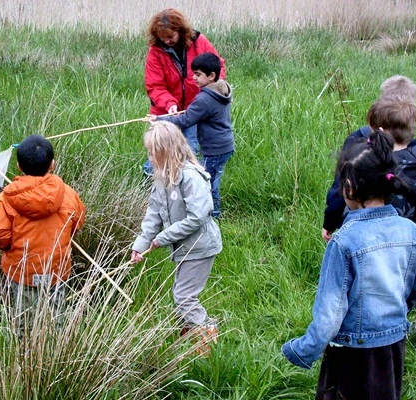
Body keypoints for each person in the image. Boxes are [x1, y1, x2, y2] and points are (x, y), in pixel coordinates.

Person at [282, 129, 416, 399]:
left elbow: (329, 316)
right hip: (393, 347)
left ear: (350, 187)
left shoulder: (344, 242)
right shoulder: (407, 231)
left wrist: (301, 350)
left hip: (351, 354)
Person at [130, 121, 222, 354]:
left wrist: (164, 237)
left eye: (154, 152)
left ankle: (206, 335)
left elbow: (198, 217)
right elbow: (153, 214)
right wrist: (140, 245)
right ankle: (193, 330)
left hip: (200, 247)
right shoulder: (161, 178)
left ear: (168, 151)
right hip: (184, 248)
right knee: (182, 292)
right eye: (148, 152)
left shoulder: (191, 177)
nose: (150, 157)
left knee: (183, 296)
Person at [0, 134, 86, 332]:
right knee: (56, 320)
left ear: (19, 166)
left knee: (24, 322)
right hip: (56, 271)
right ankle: (55, 351)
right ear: (52, 165)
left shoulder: (5, 199)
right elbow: (77, 221)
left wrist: (10, 248)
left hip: (22, 273)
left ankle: (26, 352)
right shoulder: (68, 194)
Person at [322, 75, 416, 242]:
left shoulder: (371, 158)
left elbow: (341, 189)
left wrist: (330, 221)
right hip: (410, 244)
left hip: (366, 240)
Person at [142, 8, 226, 175]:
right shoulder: (155, 52)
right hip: (164, 111)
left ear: (180, 31)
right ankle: (150, 181)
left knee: (189, 150)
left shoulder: (199, 41)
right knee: (159, 153)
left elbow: (218, 67)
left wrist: (209, 94)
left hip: (193, 110)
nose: (166, 41)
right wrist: (169, 104)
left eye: (170, 36)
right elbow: (154, 86)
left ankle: (183, 185)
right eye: (162, 38)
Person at [152, 52, 234, 219]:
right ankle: (211, 212)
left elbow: (185, 120)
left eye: (198, 74)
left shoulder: (204, 98)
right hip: (224, 145)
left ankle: (212, 215)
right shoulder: (219, 90)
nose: (193, 78)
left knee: (208, 182)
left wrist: (159, 119)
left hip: (214, 149)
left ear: (211, 76)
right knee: (212, 178)